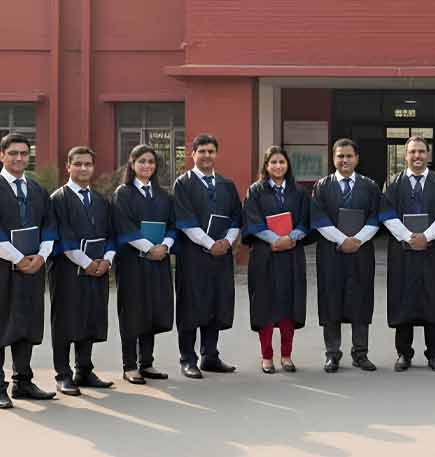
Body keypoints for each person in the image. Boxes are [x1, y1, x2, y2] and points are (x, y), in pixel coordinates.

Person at [380, 136, 435, 372]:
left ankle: (434, 353)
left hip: (433, 251)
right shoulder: (393, 183)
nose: (417, 156)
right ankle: (404, 353)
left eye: (422, 151)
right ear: (405, 155)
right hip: (403, 252)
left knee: (433, 298)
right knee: (404, 300)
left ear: (428, 154)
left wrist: (427, 237)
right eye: (412, 152)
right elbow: (387, 214)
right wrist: (409, 238)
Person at [173, 134, 242, 378]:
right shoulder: (183, 184)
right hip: (193, 257)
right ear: (192, 154)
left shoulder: (227, 185)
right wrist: (210, 243)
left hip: (220, 256)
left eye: (211, 151)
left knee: (216, 303)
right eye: (201, 151)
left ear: (216, 154)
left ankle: (210, 356)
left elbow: (236, 218)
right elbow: (185, 220)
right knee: (191, 305)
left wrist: (226, 241)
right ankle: (187, 358)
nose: (206, 156)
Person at [49, 146, 115, 395]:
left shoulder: (100, 201)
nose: (83, 168)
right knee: (66, 321)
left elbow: (111, 234)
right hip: (68, 271)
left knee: (90, 316)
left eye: (88, 164)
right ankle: (63, 374)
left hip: (98, 270)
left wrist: (106, 260)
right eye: (78, 164)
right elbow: (63, 237)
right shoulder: (58, 199)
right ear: (68, 166)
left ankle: (84, 370)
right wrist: (86, 263)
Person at [311, 138, 380, 373]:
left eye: (349, 156)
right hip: (331, 252)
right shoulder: (322, 186)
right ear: (333, 158)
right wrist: (343, 240)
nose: (344, 160)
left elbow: (375, 217)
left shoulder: (369, 186)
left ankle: (361, 353)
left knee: (361, 299)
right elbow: (318, 218)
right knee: (331, 300)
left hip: (361, 251)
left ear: (357, 158)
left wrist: (357, 240)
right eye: (340, 156)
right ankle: (332, 354)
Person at [0, 133, 57, 408]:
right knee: (1, 323)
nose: (19, 158)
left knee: (27, 323)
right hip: (2, 268)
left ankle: (23, 381)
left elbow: (50, 226)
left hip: (32, 269)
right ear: (2, 155)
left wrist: (41, 257)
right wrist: (17, 258)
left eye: (24, 153)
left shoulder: (37, 191)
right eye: (13, 153)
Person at [242, 146, 309, 373]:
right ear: (266, 166)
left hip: (291, 256)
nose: (278, 166)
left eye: (282, 162)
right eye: (273, 162)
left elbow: (305, 221)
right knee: (265, 304)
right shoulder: (256, 191)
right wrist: (275, 239)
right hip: (265, 256)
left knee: (289, 305)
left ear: (287, 165)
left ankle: (287, 355)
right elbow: (253, 221)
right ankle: (267, 356)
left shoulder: (298, 192)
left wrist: (291, 237)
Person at [111, 144, 175, 384]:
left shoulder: (164, 195)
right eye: (142, 161)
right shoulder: (123, 194)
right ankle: (129, 365)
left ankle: (146, 363)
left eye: (151, 161)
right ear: (132, 164)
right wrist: (149, 248)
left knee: (152, 309)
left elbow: (173, 225)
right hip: (132, 262)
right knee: (132, 311)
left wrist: (165, 247)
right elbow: (124, 227)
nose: (147, 165)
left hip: (158, 261)